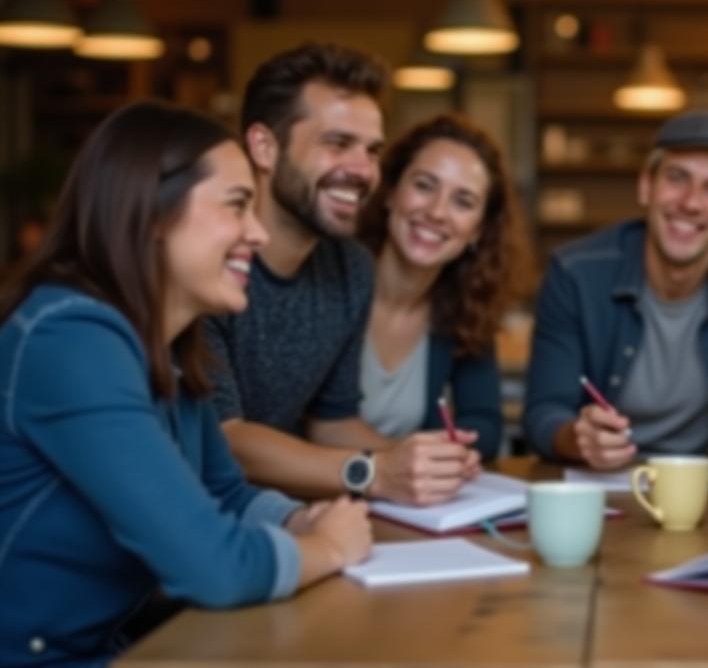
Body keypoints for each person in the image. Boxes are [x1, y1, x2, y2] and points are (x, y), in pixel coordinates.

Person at [0, 102, 371, 667]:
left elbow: (224, 493)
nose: (258, 231)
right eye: (237, 206)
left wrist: (301, 519)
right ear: (152, 213)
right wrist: (328, 547)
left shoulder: (171, 344)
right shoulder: (71, 339)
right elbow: (213, 567)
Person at [206, 42, 477, 506]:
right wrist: (373, 472)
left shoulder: (352, 269)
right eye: (337, 144)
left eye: (372, 151)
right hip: (199, 524)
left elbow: (330, 421)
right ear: (264, 147)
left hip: (285, 513)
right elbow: (222, 437)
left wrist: (416, 462)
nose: (362, 170)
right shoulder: (208, 260)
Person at [522, 109, 708, 469]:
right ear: (647, 186)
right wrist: (577, 439)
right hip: (600, 486)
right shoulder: (574, 272)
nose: (690, 203)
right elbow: (542, 414)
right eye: (677, 178)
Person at [358, 115, 521, 460]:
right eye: (424, 185)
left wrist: (451, 452)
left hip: (408, 507)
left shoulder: (463, 306)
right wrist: (403, 460)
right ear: (390, 192)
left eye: (462, 202)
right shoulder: (332, 288)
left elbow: (486, 423)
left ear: (478, 231)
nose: (436, 212)